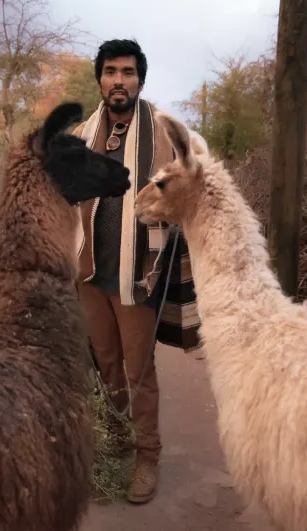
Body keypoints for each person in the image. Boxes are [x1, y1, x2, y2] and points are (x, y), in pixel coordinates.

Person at [70, 38, 201, 504]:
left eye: (127, 72)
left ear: (139, 79)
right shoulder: (82, 135)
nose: (118, 80)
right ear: (100, 80)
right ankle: (119, 436)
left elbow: (190, 184)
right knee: (104, 361)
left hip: (136, 273)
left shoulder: (163, 133)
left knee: (138, 369)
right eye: (110, 72)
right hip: (89, 274)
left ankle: (148, 455)